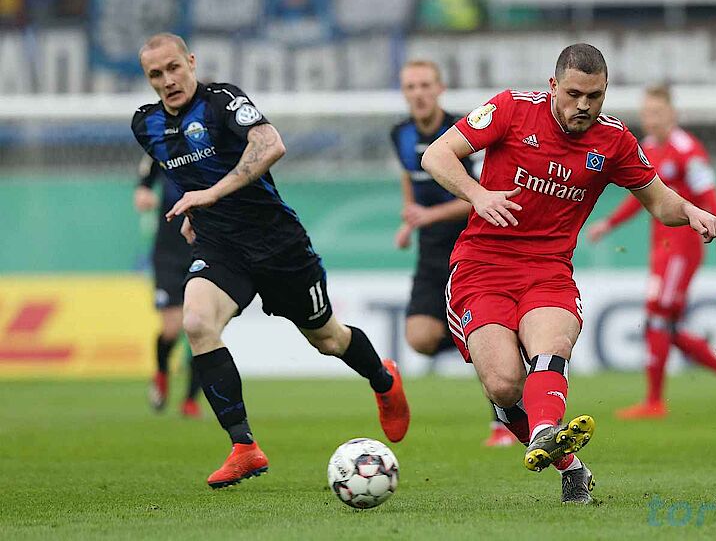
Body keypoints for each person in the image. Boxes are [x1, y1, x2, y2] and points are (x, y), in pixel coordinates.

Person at [422, 43, 716, 504]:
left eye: (595, 96)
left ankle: (545, 429)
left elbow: (661, 202)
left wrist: (691, 211)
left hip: (548, 270)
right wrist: (477, 194)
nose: (583, 105)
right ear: (553, 86)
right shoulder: (511, 109)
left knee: (552, 345)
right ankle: (571, 467)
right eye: (574, 94)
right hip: (482, 266)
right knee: (502, 384)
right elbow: (437, 155)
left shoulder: (615, 141)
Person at [130, 33, 410, 489]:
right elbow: (180, 167)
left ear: (191, 62)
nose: (168, 80)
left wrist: (210, 194)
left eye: (174, 68)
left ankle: (383, 381)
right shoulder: (146, 124)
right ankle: (243, 446)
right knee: (197, 323)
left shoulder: (221, 101)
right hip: (220, 247)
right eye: (155, 74)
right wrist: (193, 209)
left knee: (328, 339)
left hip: (278, 245)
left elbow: (270, 144)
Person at [587, 85, 716, 419]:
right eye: (647, 113)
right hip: (661, 247)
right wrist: (609, 224)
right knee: (664, 325)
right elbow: (642, 196)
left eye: (658, 113)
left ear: (672, 114)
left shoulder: (687, 150)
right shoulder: (647, 149)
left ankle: (655, 402)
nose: (651, 119)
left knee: (658, 315)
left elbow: (710, 197)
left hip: (682, 248)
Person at [391, 59, 516, 447]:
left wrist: (428, 215)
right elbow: (409, 177)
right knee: (420, 338)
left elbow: (481, 195)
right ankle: (502, 346)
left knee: (482, 332)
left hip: (471, 243)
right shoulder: (400, 133)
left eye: (425, 85)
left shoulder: (464, 132)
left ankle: (503, 423)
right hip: (431, 248)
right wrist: (410, 221)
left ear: (440, 89)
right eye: (411, 87)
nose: (419, 93)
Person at [134, 157, 201, 417]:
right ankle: (162, 372)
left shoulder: (213, 148)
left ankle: (191, 400)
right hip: (168, 254)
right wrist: (143, 188)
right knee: (172, 329)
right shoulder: (165, 146)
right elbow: (148, 167)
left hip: (203, 249)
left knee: (201, 327)